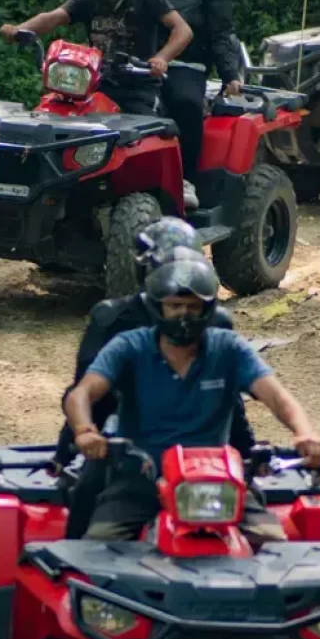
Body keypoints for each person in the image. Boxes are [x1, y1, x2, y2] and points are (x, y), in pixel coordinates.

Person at [64, 253, 320, 544]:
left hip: (218, 484)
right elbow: (82, 394)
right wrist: (85, 431)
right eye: (175, 306)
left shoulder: (229, 349)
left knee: (273, 544)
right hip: (140, 481)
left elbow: (277, 397)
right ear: (158, 307)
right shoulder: (129, 347)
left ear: (208, 310)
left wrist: (305, 433)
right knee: (99, 548)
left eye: (193, 307)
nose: (184, 314)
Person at [54, 218, 256, 537]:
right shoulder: (113, 318)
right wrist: (73, 444)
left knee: (250, 496)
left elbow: (229, 395)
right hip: (128, 433)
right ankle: (71, 567)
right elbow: (85, 393)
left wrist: (247, 454)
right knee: (90, 486)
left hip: (202, 439)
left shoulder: (216, 320)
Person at [0, 0, 193, 122]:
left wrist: (161, 58)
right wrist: (19, 30)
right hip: (92, 85)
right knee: (52, 117)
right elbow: (53, 17)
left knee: (144, 134)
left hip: (138, 89)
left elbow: (182, 30)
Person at [140, 0, 244, 211]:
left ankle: (186, 178)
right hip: (145, 65)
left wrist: (230, 75)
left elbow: (223, 33)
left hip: (189, 66)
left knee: (185, 102)